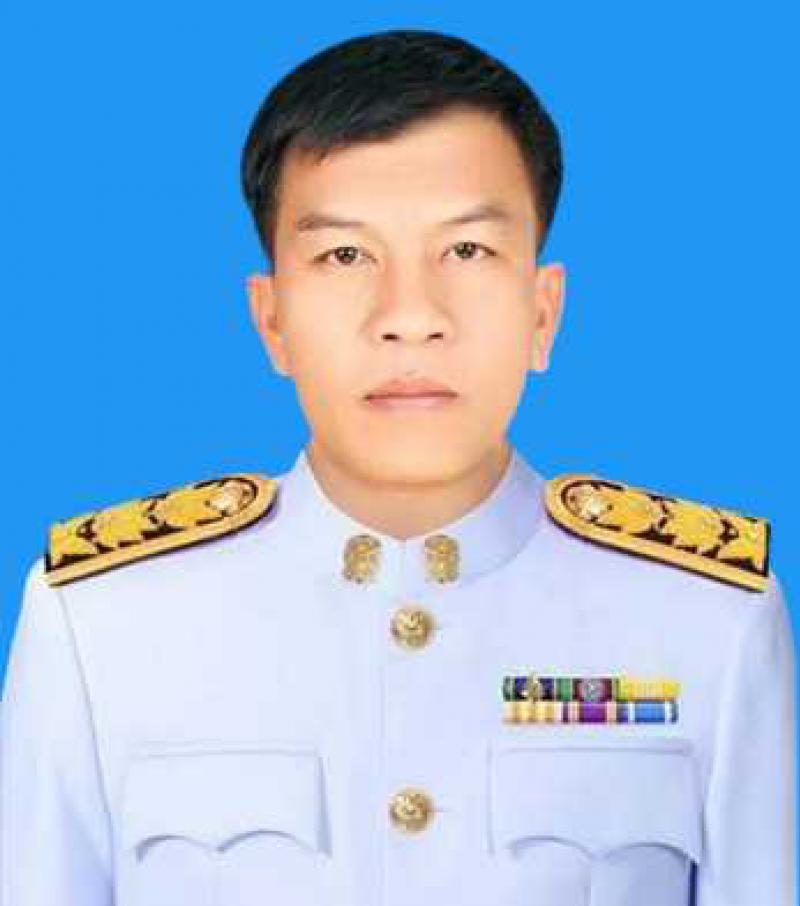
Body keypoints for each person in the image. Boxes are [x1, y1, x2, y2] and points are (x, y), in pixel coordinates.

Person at [1, 27, 795, 906]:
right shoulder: (101, 623)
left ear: (543, 311)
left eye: (467, 251)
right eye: (345, 255)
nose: (410, 316)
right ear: (272, 320)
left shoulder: (708, 621)